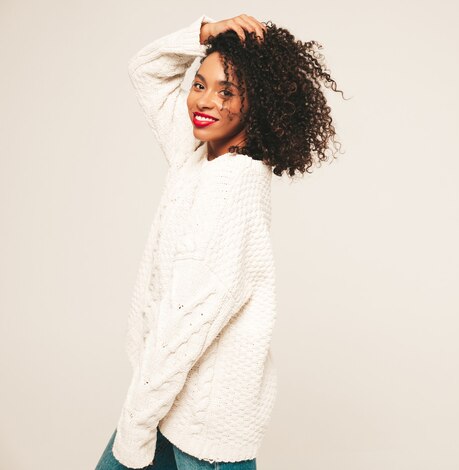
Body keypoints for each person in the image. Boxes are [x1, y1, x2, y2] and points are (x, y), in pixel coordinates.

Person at [95, 12, 344, 470]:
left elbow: (184, 327)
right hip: (170, 403)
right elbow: (145, 71)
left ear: (258, 105)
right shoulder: (196, 156)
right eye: (199, 83)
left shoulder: (230, 188)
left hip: (202, 429)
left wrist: (133, 430)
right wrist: (205, 33)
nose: (204, 101)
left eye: (227, 91)